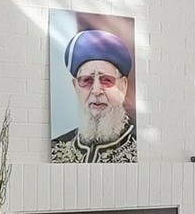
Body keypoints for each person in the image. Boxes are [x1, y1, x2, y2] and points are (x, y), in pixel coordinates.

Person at [50, 27, 136, 162]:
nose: (96, 90)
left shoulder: (140, 146)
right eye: (86, 80)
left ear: (123, 86)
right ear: (75, 87)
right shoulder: (55, 149)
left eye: (106, 80)